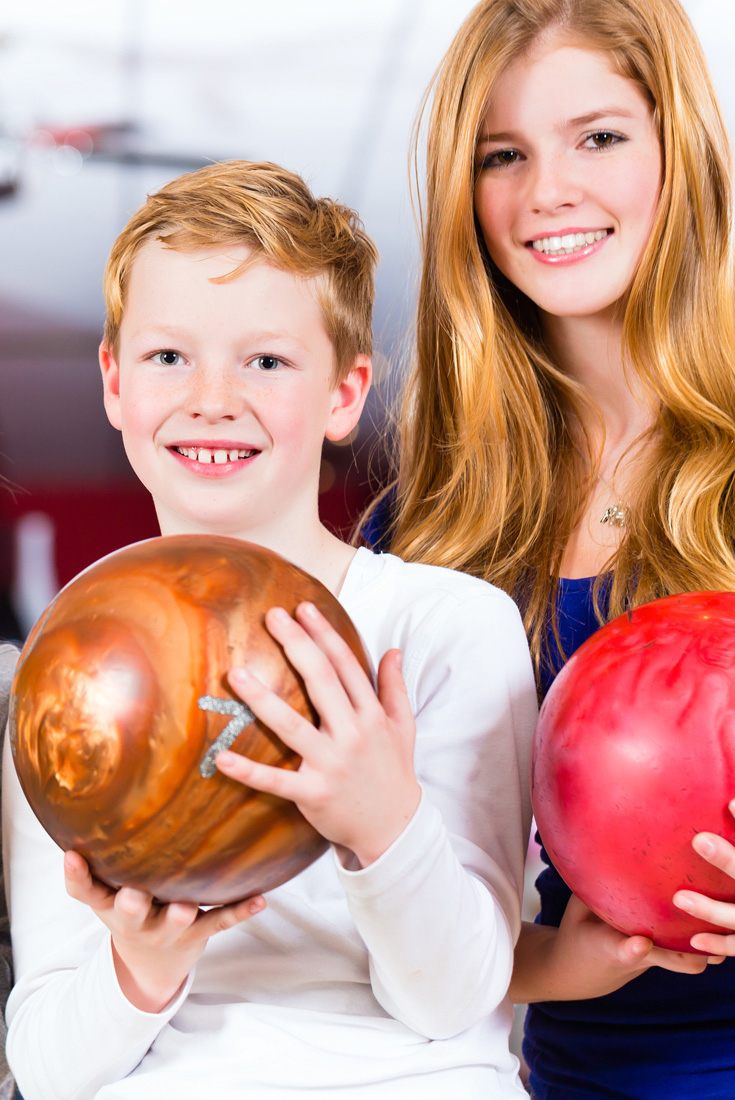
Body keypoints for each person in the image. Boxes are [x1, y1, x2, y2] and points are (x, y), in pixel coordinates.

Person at [361, 1, 735, 1098]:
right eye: (503, 155)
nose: (547, 192)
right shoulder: (428, 523)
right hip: (591, 1080)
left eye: (600, 137)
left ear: (682, 150)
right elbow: (409, 907)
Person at [1, 160, 538, 1099]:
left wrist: (383, 823)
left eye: (267, 360)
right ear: (114, 382)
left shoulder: (447, 627)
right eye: (170, 357)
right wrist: (140, 965)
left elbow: (458, 1001)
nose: (213, 398)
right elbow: (45, 1067)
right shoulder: (74, 655)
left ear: (344, 395)